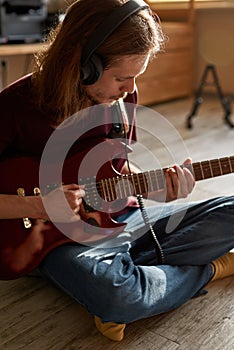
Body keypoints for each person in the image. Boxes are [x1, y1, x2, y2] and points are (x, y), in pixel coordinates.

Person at [0, 0, 234, 342]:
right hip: (53, 241)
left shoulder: (123, 100)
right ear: (83, 65)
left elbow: (117, 169)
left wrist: (160, 190)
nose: (129, 89)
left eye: (135, 78)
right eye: (122, 77)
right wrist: (38, 206)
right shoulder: (15, 106)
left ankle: (127, 273)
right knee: (118, 296)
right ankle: (208, 269)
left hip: (118, 219)